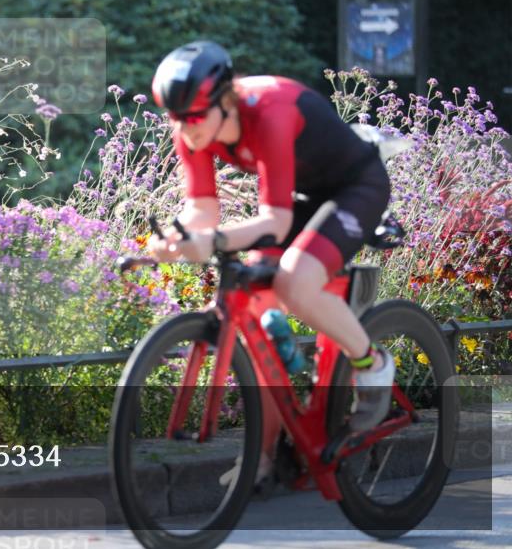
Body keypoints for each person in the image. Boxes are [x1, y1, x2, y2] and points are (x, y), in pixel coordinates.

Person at [147, 40, 396, 457]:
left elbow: (275, 222)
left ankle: (373, 364)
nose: (185, 129)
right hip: (306, 196)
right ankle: (264, 462)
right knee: (253, 308)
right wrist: (175, 239)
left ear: (225, 100)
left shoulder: (269, 114)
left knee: (294, 282)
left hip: (357, 187)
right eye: (175, 118)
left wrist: (213, 241)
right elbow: (202, 208)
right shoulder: (190, 132)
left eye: (194, 117)